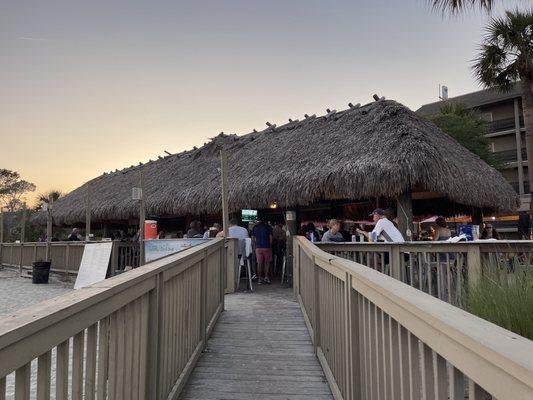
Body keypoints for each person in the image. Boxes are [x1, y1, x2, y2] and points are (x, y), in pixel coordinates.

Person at [252, 218, 273, 284]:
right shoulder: (268, 227)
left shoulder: (255, 227)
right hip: (266, 247)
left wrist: (255, 246)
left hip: (258, 248)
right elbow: (270, 237)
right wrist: (270, 246)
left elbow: (253, 238)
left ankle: (259, 278)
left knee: (259, 263)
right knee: (267, 263)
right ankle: (266, 277)